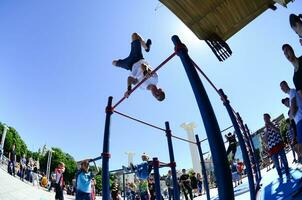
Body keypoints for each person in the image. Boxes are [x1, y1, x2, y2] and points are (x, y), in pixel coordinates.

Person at [112, 33, 165, 101]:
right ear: (160, 90)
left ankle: (146, 47)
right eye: (159, 93)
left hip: (129, 65)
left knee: (113, 63)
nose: (156, 93)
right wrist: (145, 72)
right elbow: (143, 65)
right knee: (134, 35)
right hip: (137, 58)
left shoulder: (142, 87)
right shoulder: (155, 79)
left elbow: (130, 79)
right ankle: (146, 47)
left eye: (156, 96)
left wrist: (129, 89)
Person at [262, 113, 290, 180]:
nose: (265, 120)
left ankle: (288, 174)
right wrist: (266, 130)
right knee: (277, 165)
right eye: (264, 119)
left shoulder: (275, 123)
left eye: (266, 118)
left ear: (269, 118)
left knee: (285, 161)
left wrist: (270, 125)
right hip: (272, 149)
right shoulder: (265, 130)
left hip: (279, 145)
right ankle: (280, 176)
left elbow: (278, 131)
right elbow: (265, 141)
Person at [280, 80, 302, 162]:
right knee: (298, 146)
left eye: (282, 86)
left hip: (300, 119)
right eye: (281, 88)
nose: (282, 89)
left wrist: (291, 115)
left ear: (286, 85)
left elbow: (293, 108)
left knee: (300, 146)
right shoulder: (291, 94)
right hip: (298, 121)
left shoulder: (292, 92)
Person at [281, 97, 299, 163]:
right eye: (284, 103)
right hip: (296, 130)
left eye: (286, 102)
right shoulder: (289, 112)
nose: (285, 104)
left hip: (299, 125)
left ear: (289, 100)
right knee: (296, 147)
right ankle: (298, 158)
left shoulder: (296, 104)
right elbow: (292, 124)